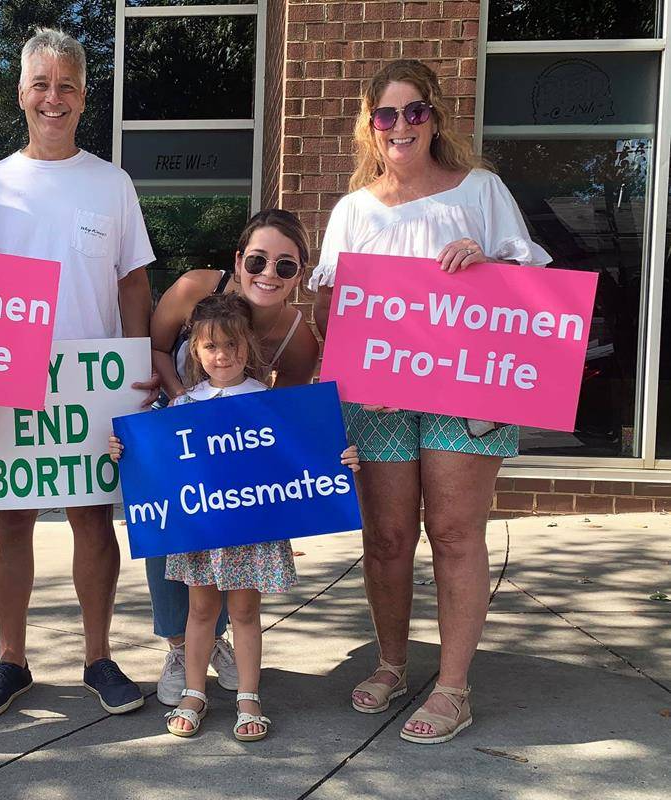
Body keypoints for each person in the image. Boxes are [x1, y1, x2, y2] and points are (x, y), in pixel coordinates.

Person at [311, 59, 551, 744]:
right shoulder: (353, 210)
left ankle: (452, 686)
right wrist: (346, 326)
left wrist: (489, 265)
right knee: (386, 538)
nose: (401, 126)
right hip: (380, 396)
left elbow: (527, 294)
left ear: (435, 117)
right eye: (386, 115)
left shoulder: (481, 191)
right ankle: (391, 663)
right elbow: (332, 314)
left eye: (414, 111)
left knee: (452, 531)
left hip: (466, 390)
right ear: (370, 125)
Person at [0, 28, 156, 720]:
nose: (53, 98)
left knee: (92, 522)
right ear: (20, 93)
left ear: (82, 96)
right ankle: (11, 660)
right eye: (41, 84)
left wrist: (139, 367)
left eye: (66, 85)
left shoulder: (112, 181)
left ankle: (98, 657)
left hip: (94, 381)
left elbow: (134, 283)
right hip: (12, 382)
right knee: (11, 522)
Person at [110, 293, 359, 740]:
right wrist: (125, 452)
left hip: (251, 530)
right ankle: (194, 691)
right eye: (210, 346)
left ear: (248, 347)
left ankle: (248, 696)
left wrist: (335, 458)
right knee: (200, 610)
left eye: (232, 345)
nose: (222, 355)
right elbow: (160, 459)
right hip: (204, 529)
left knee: (245, 612)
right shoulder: (184, 406)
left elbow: (297, 453)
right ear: (195, 351)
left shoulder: (268, 401)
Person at [146, 209, 320, 705]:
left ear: (298, 275)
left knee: (233, 549)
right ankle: (179, 646)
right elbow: (154, 346)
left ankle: (217, 640)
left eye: (285, 267)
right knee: (169, 542)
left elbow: (285, 420)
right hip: (179, 422)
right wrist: (184, 403)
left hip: (239, 458)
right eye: (259, 260)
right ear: (239, 259)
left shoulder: (296, 337)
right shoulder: (193, 288)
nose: (269, 274)